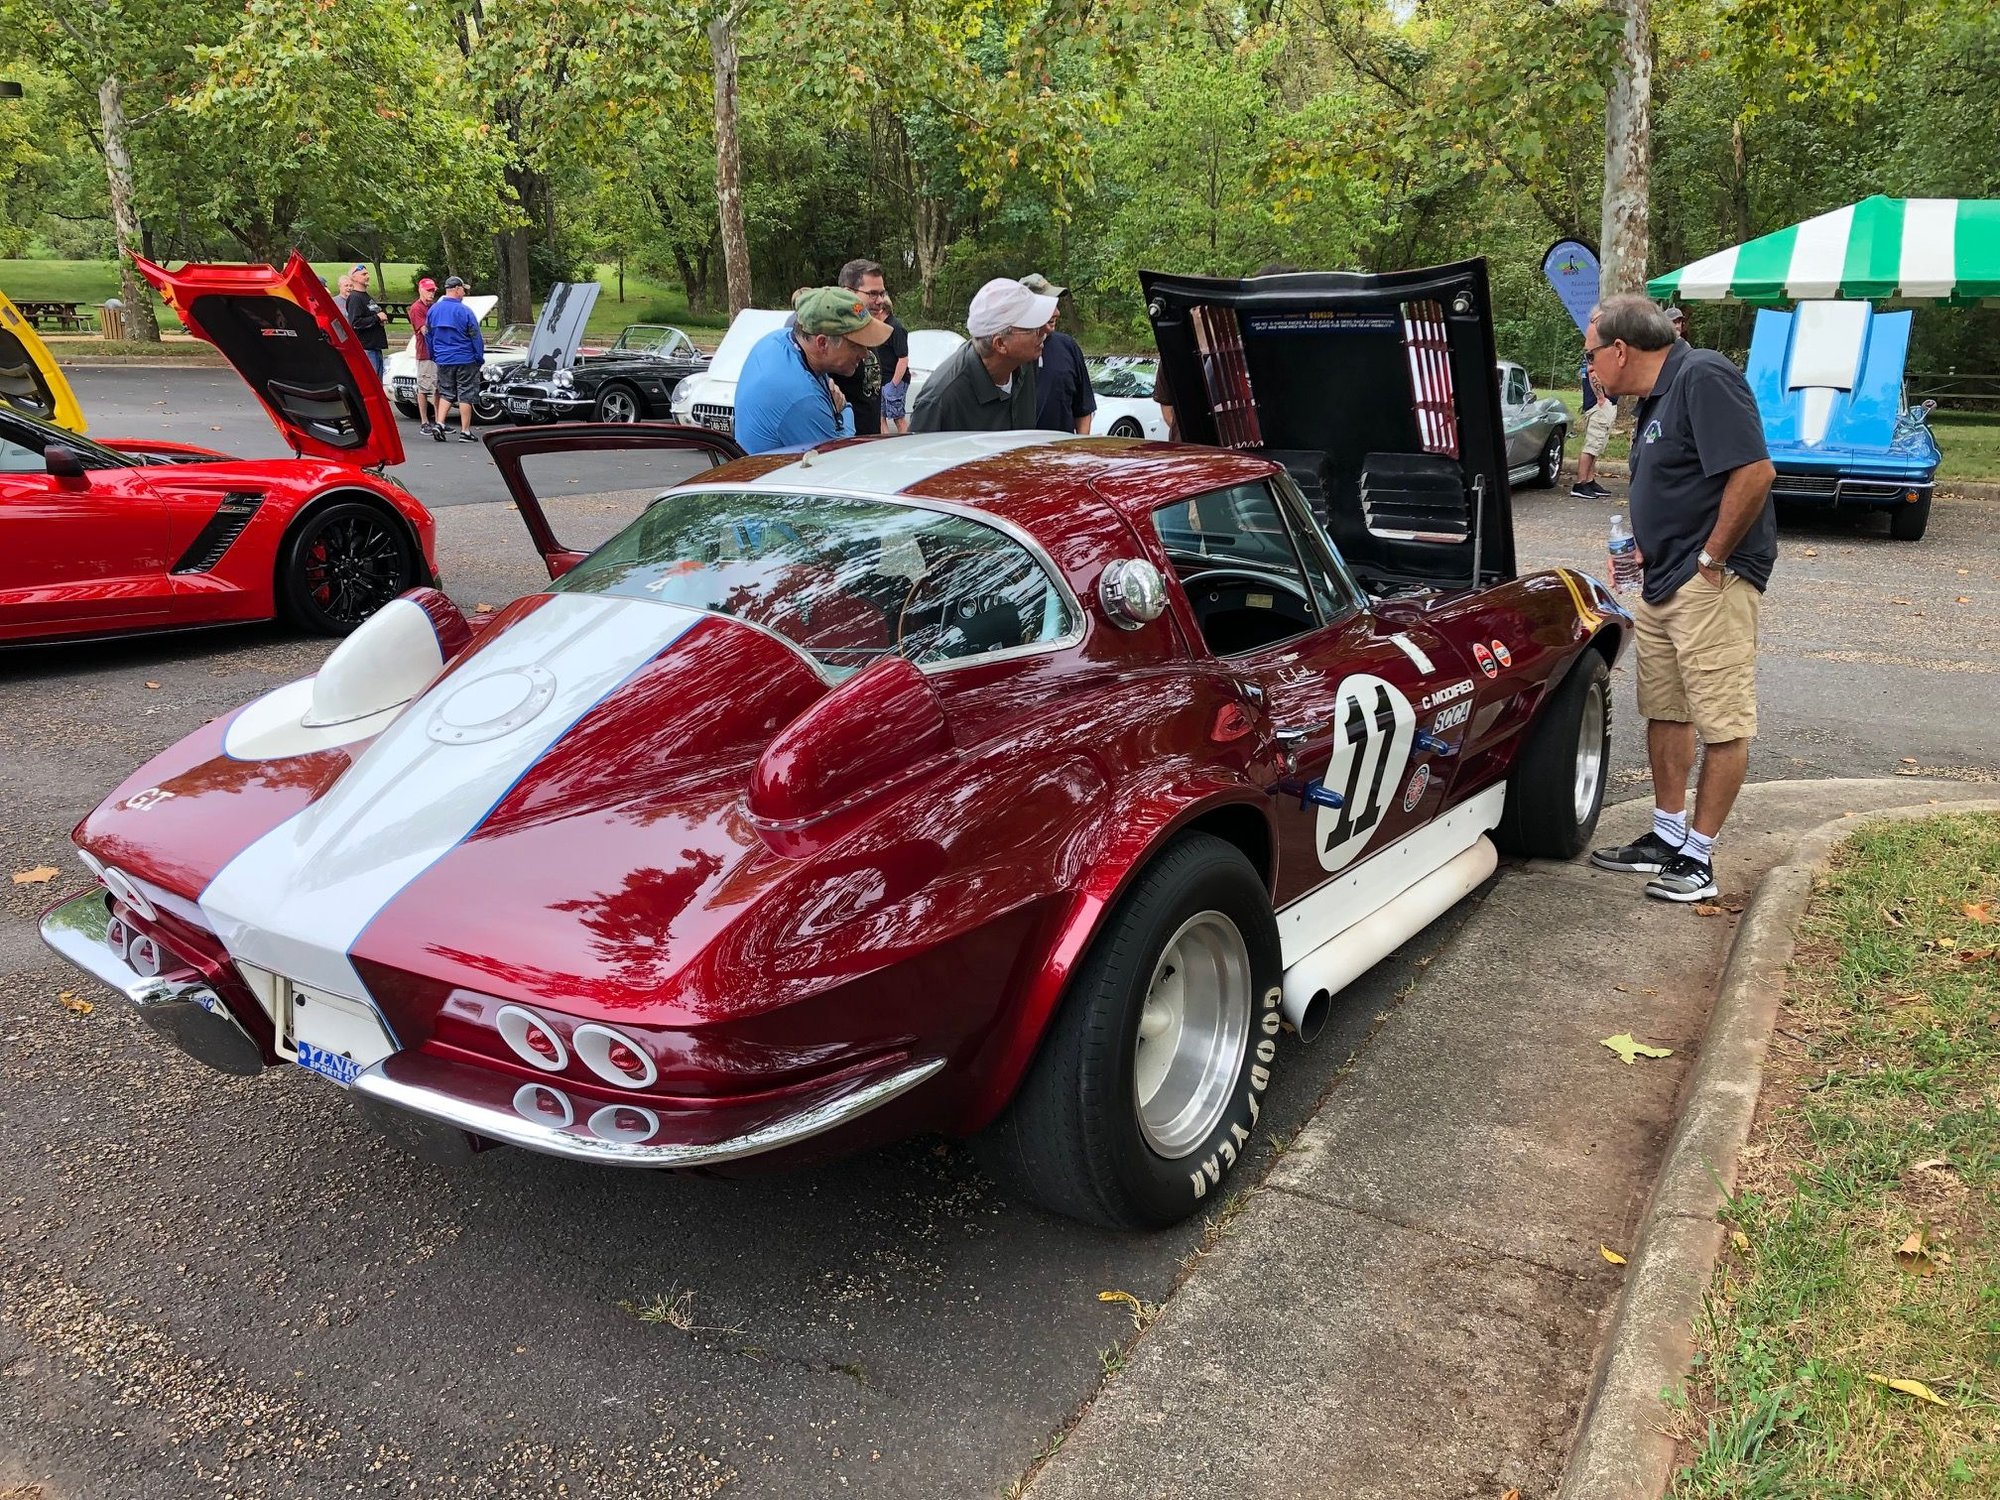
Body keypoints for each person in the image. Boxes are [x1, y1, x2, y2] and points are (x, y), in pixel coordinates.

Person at [1584, 294, 1776, 903]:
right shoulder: (1656, 399)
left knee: (1722, 719)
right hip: (1662, 579)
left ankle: (1698, 857)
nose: (1589, 367)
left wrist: (1712, 559)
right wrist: (1646, 545)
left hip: (1709, 583)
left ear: (1620, 349)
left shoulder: (1704, 375)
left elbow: (1755, 473)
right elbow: (1681, 481)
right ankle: (1667, 837)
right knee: (1665, 709)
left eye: (1590, 354)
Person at [734, 286, 892, 455]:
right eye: (856, 345)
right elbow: (837, 460)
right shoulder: (802, 398)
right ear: (822, 343)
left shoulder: (776, 339)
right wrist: (845, 412)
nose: (865, 354)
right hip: (776, 477)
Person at [908, 278, 1057, 433]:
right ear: (1000, 344)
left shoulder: (1024, 362)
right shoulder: (939, 401)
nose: (1046, 331)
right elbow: (918, 455)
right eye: (1034, 328)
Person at [1022, 272, 1094, 435]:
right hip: (1019, 455)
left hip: (1060, 456)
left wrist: (1079, 448)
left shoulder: (1068, 346)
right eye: (1046, 305)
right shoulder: (1009, 351)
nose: (1056, 313)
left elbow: (1083, 409)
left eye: (1054, 304)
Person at [830, 259, 892, 436]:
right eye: (872, 294)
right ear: (848, 292)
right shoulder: (835, 338)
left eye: (882, 293)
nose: (880, 300)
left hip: (871, 443)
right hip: (847, 446)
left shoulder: (871, 331)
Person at [425, 275, 486, 443]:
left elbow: (428, 335)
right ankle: (465, 431)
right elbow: (475, 336)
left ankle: (439, 423)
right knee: (466, 394)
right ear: (457, 289)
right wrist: (479, 357)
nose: (464, 293)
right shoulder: (464, 311)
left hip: (443, 358)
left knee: (446, 392)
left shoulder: (433, 310)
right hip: (465, 358)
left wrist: (433, 355)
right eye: (463, 290)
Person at [1574, 340, 1617, 500]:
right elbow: (1593, 373)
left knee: (1596, 445)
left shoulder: (1594, 351)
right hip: (1599, 405)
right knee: (1591, 445)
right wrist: (1601, 398)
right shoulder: (1594, 353)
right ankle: (1580, 483)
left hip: (1602, 403)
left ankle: (1589, 480)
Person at [342, 264, 390, 380]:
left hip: (375, 347)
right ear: (354, 278)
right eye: (363, 274)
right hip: (366, 349)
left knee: (378, 384)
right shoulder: (355, 298)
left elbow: (371, 315)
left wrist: (380, 319)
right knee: (371, 382)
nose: (367, 276)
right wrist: (377, 318)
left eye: (367, 273)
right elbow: (355, 323)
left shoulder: (366, 296)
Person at [407, 277, 439, 434]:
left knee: (438, 387)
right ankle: (424, 421)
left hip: (437, 353)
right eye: (428, 290)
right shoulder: (416, 308)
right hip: (425, 353)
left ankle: (440, 420)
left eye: (433, 291)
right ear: (420, 290)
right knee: (424, 387)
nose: (431, 294)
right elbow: (424, 330)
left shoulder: (433, 307)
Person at [879, 293, 911, 434]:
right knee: (879, 417)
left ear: (881, 309)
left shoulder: (896, 328)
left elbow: (903, 359)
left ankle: (908, 446)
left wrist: (893, 384)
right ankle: (883, 448)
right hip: (881, 379)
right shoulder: (879, 327)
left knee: (898, 418)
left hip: (895, 379)